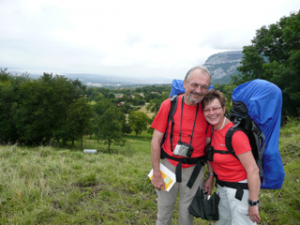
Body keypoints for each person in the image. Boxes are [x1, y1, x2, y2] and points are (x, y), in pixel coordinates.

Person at [151, 66, 214, 225]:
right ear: (185, 84)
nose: (198, 90)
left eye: (203, 87)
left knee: (187, 215)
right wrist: (157, 173)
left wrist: (211, 175)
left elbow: (209, 145)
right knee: (164, 211)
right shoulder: (169, 105)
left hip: (195, 170)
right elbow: (155, 142)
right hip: (168, 166)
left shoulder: (208, 110)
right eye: (194, 85)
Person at [201, 89, 261, 225]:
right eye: (207, 110)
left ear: (223, 108)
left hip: (239, 192)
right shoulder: (212, 129)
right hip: (221, 188)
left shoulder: (235, 135)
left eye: (215, 108)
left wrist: (253, 202)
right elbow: (211, 155)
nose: (211, 113)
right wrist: (211, 176)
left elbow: (253, 170)